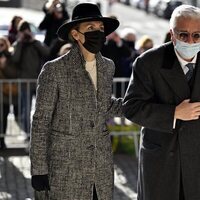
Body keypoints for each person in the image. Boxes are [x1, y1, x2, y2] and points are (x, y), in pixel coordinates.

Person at [30, 3, 122, 200]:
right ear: (75, 34)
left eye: (100, 28)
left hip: (101, 168)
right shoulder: (54, 70)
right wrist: (38, 169)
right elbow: (40, 122)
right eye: (90, 28)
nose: (97, 32)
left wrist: (138, 105)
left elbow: (103, 104)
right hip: (66, 170)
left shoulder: (108, 67)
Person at [122, 5, 200, 200]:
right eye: (183, 35)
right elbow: (131, 107)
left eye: (197, 35)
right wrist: (173, 113)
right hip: (163, 161)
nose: (190, 41)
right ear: (171, 34)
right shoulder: (148, 62)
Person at [12, 20, 50, 137]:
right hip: (25, 83)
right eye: (23, 31)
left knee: (41, 110)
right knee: (26, 110)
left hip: (38, 82)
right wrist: (20, 42)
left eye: (27, 30)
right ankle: (27, 134)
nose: (26, 33)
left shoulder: (35, 43)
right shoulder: (18, 44)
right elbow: (15, 60)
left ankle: (40, 134)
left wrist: (33, 40)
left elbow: (47, 53)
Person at [0, 36, 18, 149]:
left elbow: (13, 74)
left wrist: (4, 66)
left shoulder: (10, 57)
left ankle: (2, 141)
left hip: (5, 93)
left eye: (2, 44)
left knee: (3, 118)